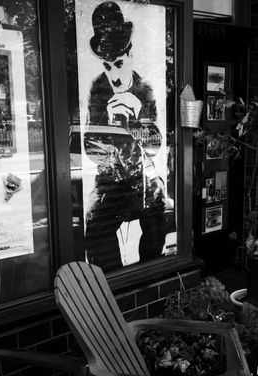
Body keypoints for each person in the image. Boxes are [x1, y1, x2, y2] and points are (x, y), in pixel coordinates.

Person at [84, 1, 166, 272]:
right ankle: (113, 282)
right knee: (95, 225)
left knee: (158, 213)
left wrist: (138, 116)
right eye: (108, 67)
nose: (115, 76)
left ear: (130, 56)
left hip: (141, 175)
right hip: (111, 179)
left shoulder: (145, 90)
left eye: (119, 63)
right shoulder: (98, 89)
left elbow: (154, 146)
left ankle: (149, 274)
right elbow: (88, 145)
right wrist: (107, 130)